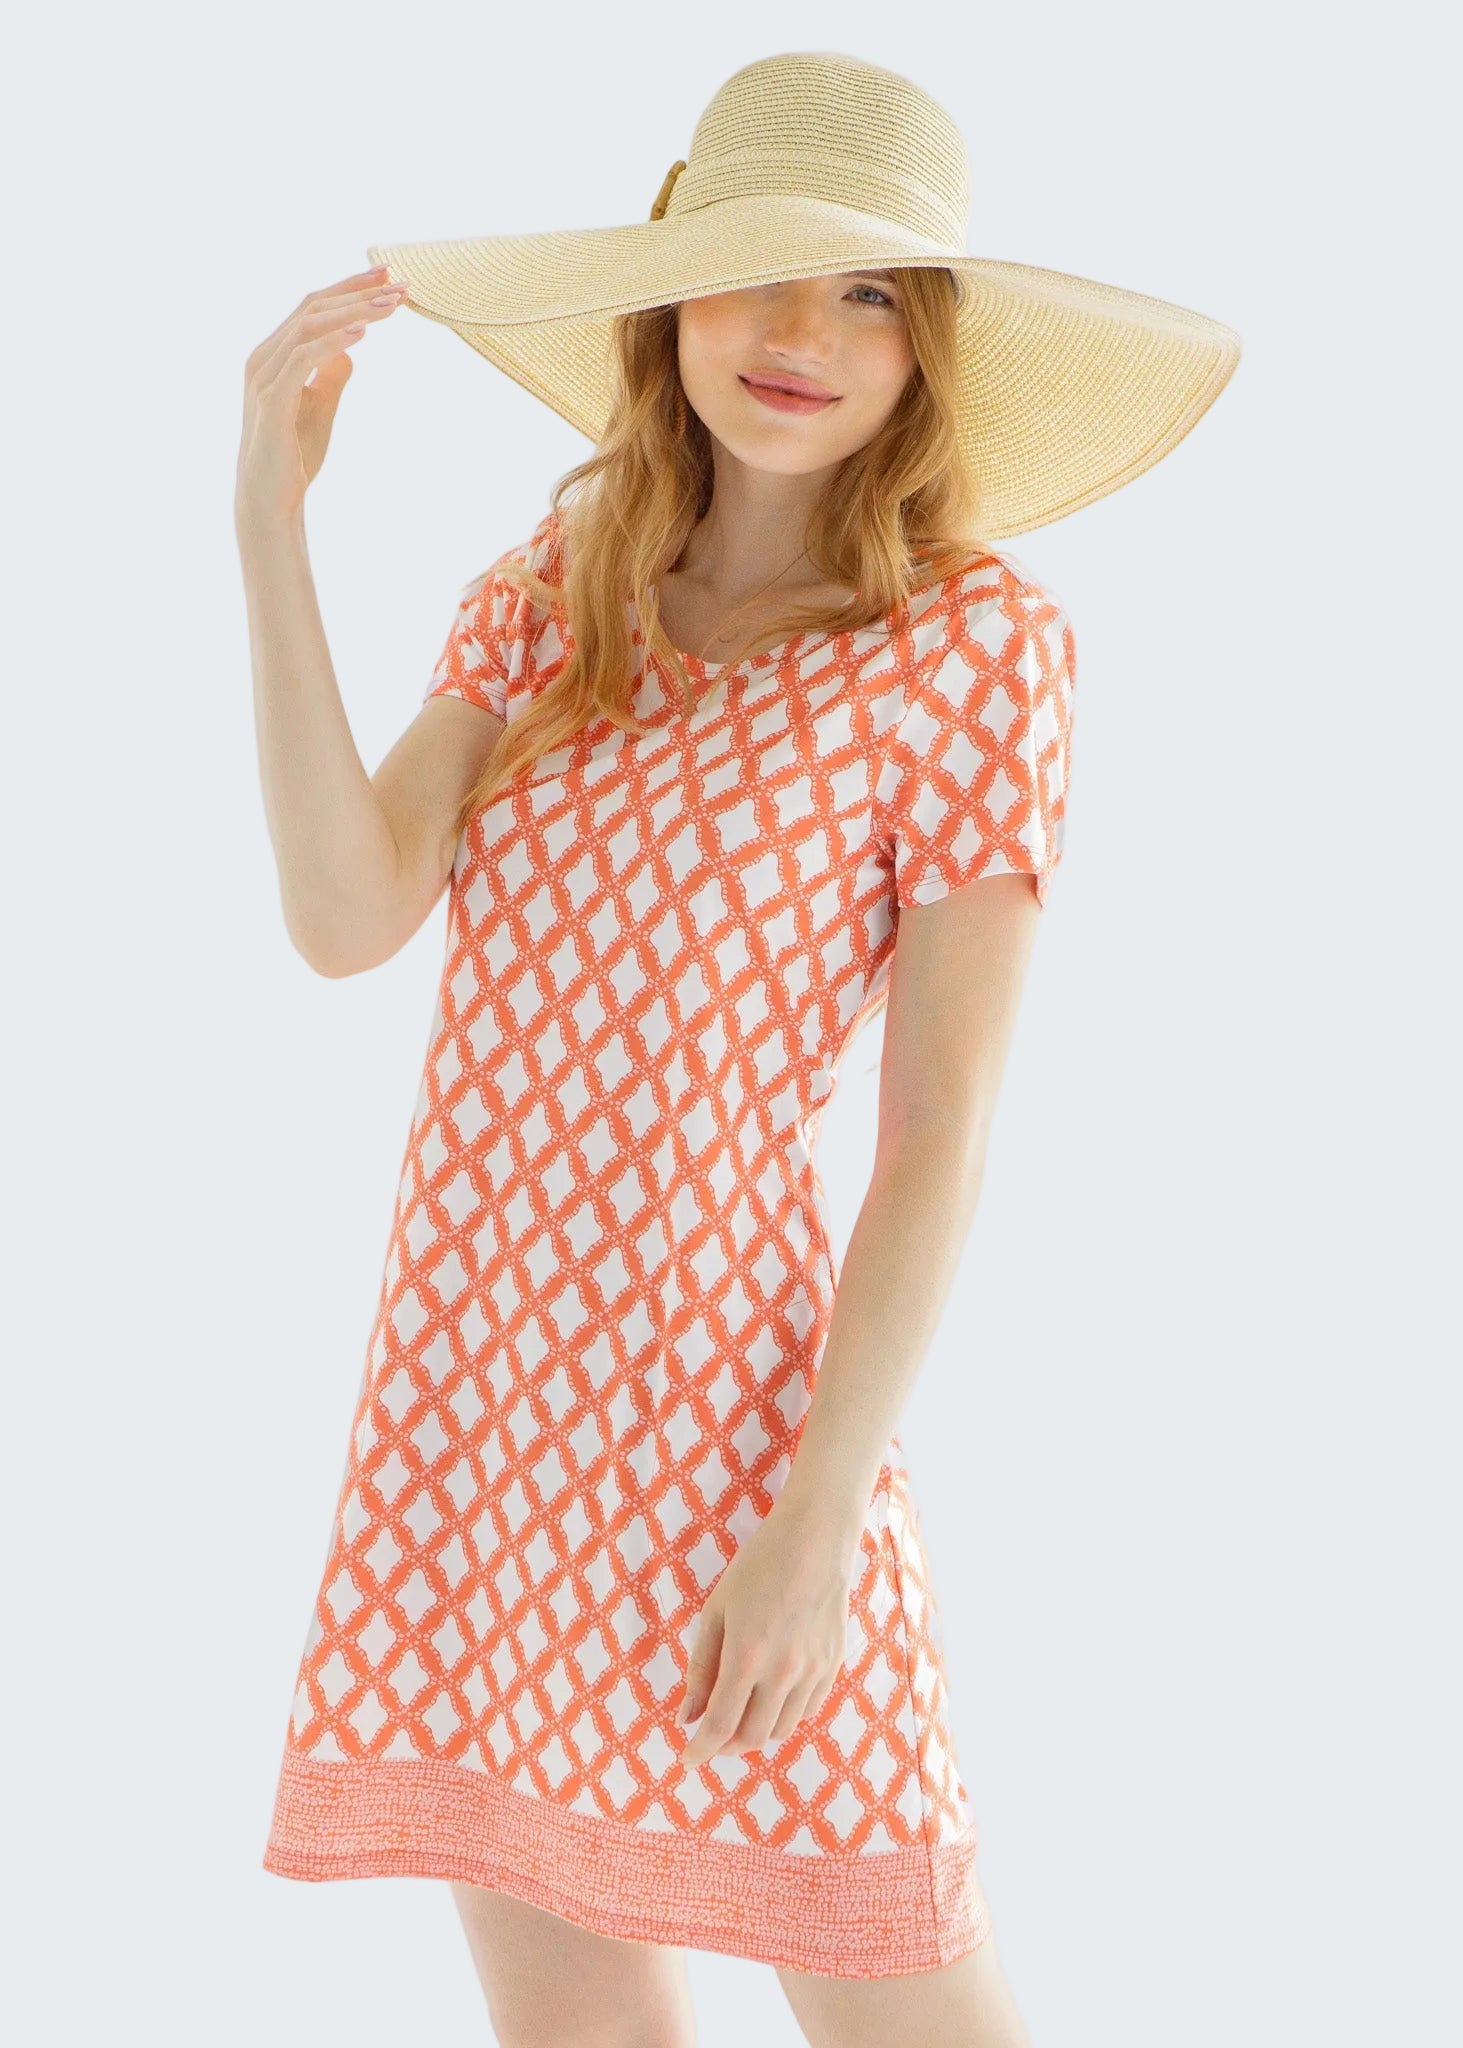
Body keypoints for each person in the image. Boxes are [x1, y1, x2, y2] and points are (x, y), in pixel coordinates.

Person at [234, 50, 1239, 2048]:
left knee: (905, 1993)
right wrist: (270, 516)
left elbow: (942, 1127)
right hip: (484, 1405)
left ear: (926, 344)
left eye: (867, 291)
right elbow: (350, 916)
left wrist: (812, 1528)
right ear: (669, 298)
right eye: (761, 272)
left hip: (743, 1426)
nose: (801, 333)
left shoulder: (971, 646)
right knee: (578, 2022)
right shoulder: (555, 599)